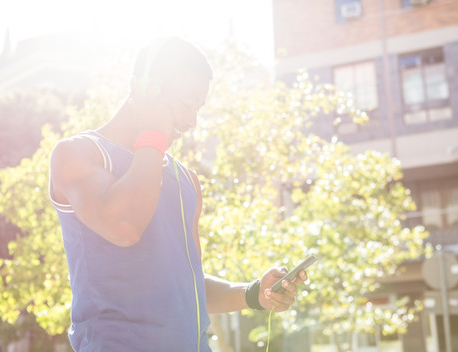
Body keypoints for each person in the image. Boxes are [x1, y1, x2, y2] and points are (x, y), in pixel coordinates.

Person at [49, 36, 308, 352]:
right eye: (187, 104)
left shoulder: (185, 179)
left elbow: (186, 283)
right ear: (145, 89)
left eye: (198, 108)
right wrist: (153, 135)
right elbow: (125, 226)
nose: (192, 121)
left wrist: (254, 293)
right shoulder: (79, 154)